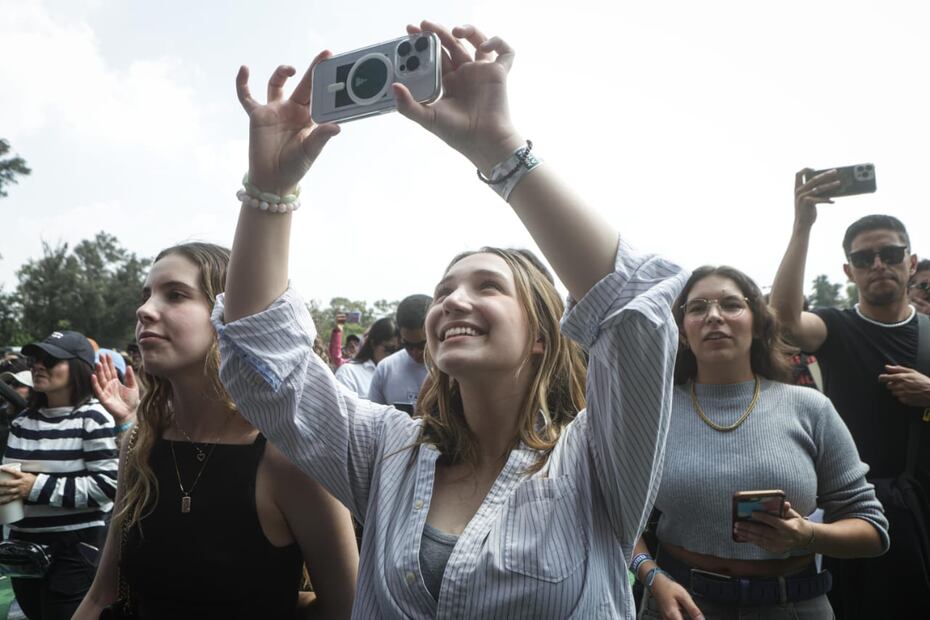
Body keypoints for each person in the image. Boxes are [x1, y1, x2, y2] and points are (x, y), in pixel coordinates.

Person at [217, 20, 687, 617]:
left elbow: (632, 308)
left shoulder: (598, 458)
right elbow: (266, 367)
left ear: (543, 337)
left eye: (487, 286)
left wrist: (500, 150)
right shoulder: (387, 452)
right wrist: (269, 187)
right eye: (444, 290)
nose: (453, 302)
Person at [73, 242, 358, 619]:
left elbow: (349, 608)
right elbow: (101, 595)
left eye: (175, 295)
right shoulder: (138, 443)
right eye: (146, 297)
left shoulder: (291, 457)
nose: (143, 310)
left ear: (231, 316)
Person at [633, 266, 888, 619]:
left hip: (795, 605)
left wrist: (807, 536)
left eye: (731, 304)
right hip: (679, 604)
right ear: (682, 332)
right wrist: (651, 575)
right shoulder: (655, 412)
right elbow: (615, 513)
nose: (713, 316)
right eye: (697, 308)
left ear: (757, 324)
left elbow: (871, 529)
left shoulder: (810, 407)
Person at [770, 173, 930, 616]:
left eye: (891, 254)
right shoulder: (836, 328)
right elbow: (782, 325)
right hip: (856, 511)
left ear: (911, 262)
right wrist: (802, 225)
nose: (878, 264)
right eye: (864, 258)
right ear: (849, 270)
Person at [0, 330, 118, 620]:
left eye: (51, 360)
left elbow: (108, 486)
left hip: (74, 552)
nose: (39, 365)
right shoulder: (23, 421)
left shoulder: (94, 418)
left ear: (78, 368)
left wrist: (35, 487)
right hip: (25, 552)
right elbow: (12, 480)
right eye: (37, 359)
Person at [368, 294, 431, 412]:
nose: (415, 352)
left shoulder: (453, 369)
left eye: (422, 345)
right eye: (408, 345)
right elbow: (373, 419)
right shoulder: (386, 369)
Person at [333, 316, 398, 397]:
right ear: (373, 344)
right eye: (389, 349)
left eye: (398, 351)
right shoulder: (349, 372)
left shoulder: (401, 375)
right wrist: (338, 329)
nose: (394, 355)